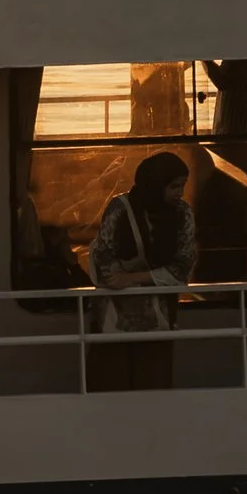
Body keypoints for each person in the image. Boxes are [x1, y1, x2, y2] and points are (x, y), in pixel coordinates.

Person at [90, 152, 196, 390]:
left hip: (158, 318)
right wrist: (151, 278)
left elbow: (182, 269)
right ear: (156, 185)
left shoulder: (182, 214)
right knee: (112, 385)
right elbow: (102, 261)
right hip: (114, 318)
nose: (179, 193)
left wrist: (129, 278)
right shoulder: (120, 209)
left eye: (182, 186)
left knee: (153, 384)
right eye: (173, 186)